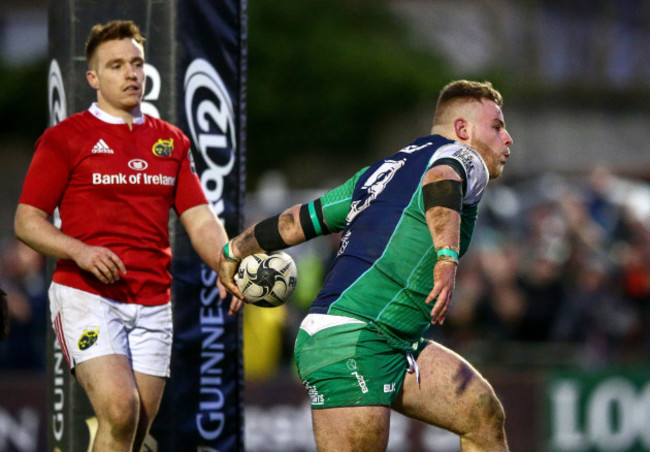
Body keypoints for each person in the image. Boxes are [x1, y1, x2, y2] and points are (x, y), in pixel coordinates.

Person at [219, 80, 512, 451]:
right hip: (350, 337)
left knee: (481, 414)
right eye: (497, 127)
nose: (507, 139)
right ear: (462, 129)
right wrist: (447, 256)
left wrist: (233, 250)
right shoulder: (463, 156)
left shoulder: (380, 172)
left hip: (393, 339)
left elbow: (296, 222)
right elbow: (442, 178)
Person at [14, 20, 231, 452]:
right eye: (116, 65)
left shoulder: (171, 141)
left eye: (137, 63)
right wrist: (79, 250)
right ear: (93, 78)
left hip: (152, 300)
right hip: (86, 294)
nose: (131, 73)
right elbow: (27, 221)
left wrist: (227, 264)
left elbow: (201, 220)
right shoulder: (64, 138)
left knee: (134, 432)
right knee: (120, 410)